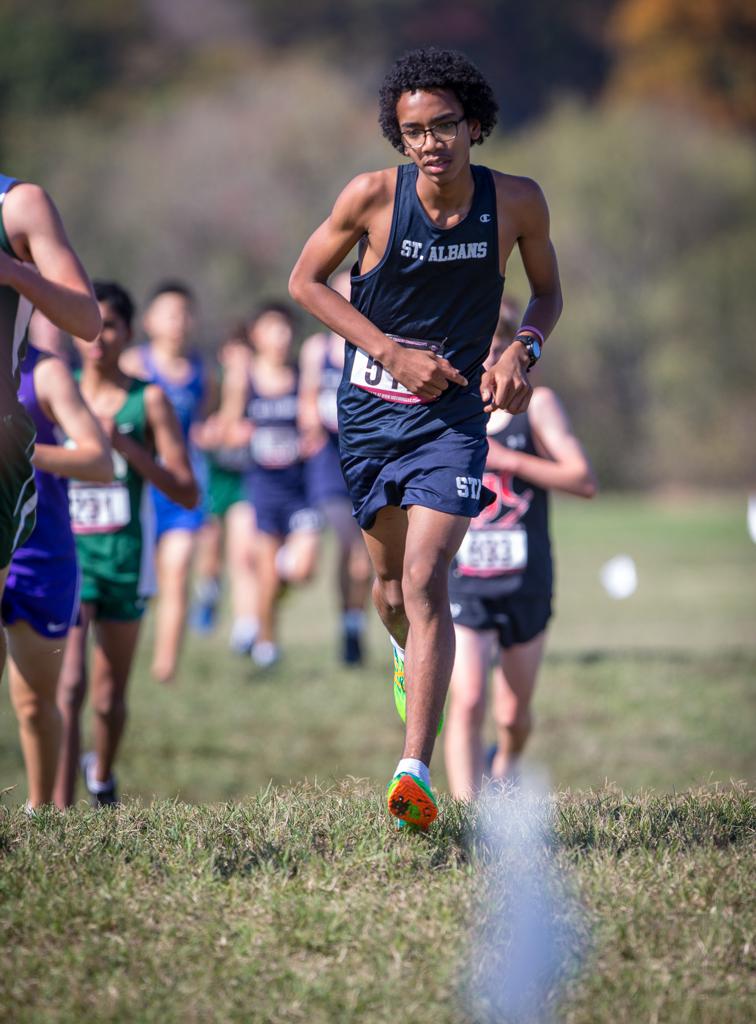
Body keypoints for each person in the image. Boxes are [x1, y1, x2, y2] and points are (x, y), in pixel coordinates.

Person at [289, 47, 562, 828]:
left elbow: (547, 292)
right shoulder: (372, 197)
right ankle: (408, 658)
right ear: (398, 138)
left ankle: (414, 771)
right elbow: (303, 283)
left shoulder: (516, 202)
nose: (431, 142)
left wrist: (523, 349)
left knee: (426, 574)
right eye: (414, 131)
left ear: (474, 125)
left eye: (445, 125)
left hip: (452, 421)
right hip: (371, 415)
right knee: (386, 588)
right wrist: (388, 352)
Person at [444, 300, 597, 799]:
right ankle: (468, 817)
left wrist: (508, 459)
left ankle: (505, 762)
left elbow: (582, 480)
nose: (484, 366)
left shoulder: (540, 404)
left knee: (513, 715)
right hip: (464, 577)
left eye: (493, 352)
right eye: (474, 353)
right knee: (466, 699)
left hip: (525, 579)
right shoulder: (449, 406)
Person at [55, 281, 198, 808]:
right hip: (67, 561)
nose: (97, 336)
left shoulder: (148, 399)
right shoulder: (58, 392)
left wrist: (123, 448)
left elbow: (186, 492)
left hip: (125, 561)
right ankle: (59, 804)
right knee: (68, 685)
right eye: (88, 325)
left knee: (108, 695)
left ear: (127, 333)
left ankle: (103, 778)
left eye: (109, 325)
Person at [2, 339, 111, 809]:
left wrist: (21, 450)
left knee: (33, 703)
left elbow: (99, 461)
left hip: (38, 555)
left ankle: (39, 812)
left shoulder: (44, 372)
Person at [0, 172, 101, 681]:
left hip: (3, 451)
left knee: (39, 699)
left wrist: (15, 274)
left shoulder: (18, 205)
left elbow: (87, 320)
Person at [219, 302, 321, 669]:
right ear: (256, 335)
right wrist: (239, 433)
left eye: (286, 329)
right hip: (263, 488)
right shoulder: (243, 379)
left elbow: (312, 422)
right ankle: (266, 644)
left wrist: (311, 435)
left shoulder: (299, 376)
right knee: (264, 569)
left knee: (302, 568)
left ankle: (261, 615)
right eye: (272, 329)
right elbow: (227, 430)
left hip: (300, 488)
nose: (282, 337)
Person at [120, 281, 210, 684]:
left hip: (181, 487)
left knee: (177, 569)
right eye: (169, 312)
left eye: (184, 313)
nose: (178, 321)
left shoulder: (200, 373)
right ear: (149, 321)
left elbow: (205, 426)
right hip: (137, 489)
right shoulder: (133, 364)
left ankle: (165, 669)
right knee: (140, 581)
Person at [299, 271, 372, 664]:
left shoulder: (377, 344)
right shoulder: (316, 349)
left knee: (362, 560)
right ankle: (350, 628)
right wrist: (310, 421)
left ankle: (352, 625)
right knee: (351, 546)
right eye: (341, 293)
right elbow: (307, 399)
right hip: (328, 462)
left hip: (368, 459)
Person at [190, 324, 259, 654]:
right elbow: (200, 431)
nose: (241, 359)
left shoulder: (260, 387)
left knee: (243, 554)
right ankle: (209, 591)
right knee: (211, 551)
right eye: (235, 351)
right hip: (215, 479)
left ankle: (245, 628)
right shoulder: (212, 383)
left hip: (246, 482)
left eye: (247, 352)